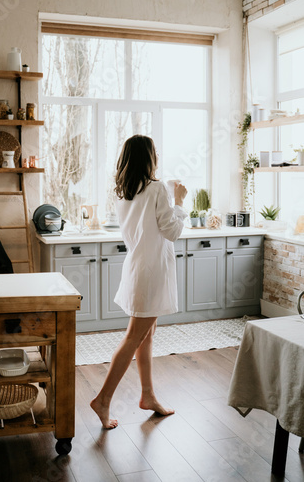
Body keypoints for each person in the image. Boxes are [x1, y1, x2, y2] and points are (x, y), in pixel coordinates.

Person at [90, 134, 188, 429]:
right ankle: (103, 400)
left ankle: (148, 396)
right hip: (151, 272)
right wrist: (180, 201)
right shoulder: (157, 188)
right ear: (149, 157)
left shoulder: (124, 192)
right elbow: (172, 231)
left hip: (137, 267)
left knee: (146, 335)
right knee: (134, 336)